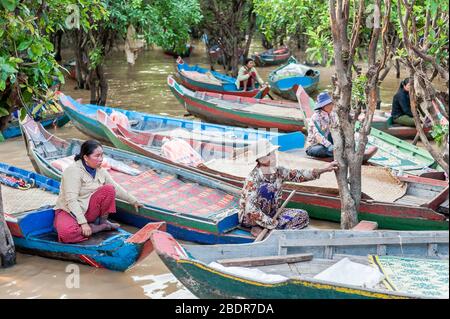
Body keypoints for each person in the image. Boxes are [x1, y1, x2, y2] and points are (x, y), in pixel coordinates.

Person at [239, 142, 338, 237]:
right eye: (269, 154)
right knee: (266, 188)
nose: (274, 156)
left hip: (272, 214)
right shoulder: (253, 179)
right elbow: (250, 209)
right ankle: (259, 228)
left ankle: (272, 231)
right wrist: (270, 223)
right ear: (260, 159)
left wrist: (324, 169)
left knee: (302, 215)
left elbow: (299, 175)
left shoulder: (278, 171)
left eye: (273, 153)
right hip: (251, 219)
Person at [54, 140, 143, 243]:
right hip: (69, 211)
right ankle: (98, 227)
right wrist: (83, 223)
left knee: (109, 189)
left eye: (102, 155)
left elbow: (116, 188)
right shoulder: (73, 171)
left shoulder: (100, 170)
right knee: (67, 234)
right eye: (97, 156)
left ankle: (102, 222)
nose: (101, 159)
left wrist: (133, 201)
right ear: (86, 157)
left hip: (89, 210)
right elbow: (71, 200)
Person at [305, 91, 378, 161]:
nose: (331, 105)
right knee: (322, 150)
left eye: (331, 103)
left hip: (328, 141)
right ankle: (343, 155)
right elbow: (318, 137)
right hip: (315, 145)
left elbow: (340, 123)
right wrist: (331, 146)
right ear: (323, 106)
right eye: (329, 104)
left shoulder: (332, 114)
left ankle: (346, 153)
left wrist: (358, 118)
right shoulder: (315, 117)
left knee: (344, 139)